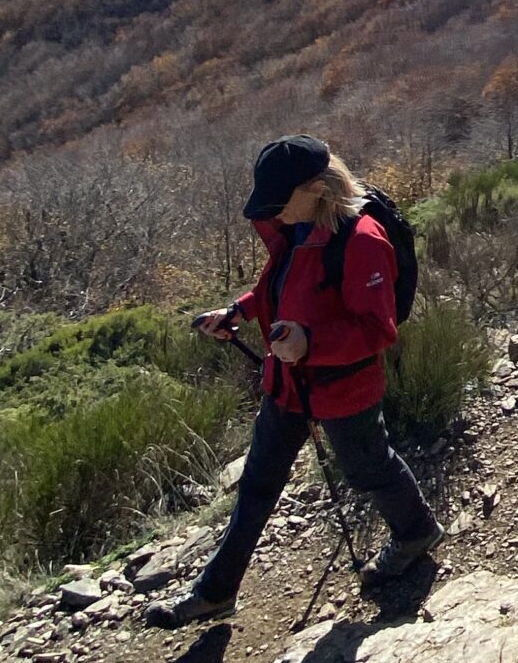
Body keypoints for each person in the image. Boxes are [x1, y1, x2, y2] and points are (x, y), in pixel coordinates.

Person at [146, 135, 436, 628]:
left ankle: (416, 532)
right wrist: (237, 312)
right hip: (288, 383)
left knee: (369, 469)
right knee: (258, 483)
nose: (272, 214)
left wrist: (310, 344)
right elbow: (278, 290)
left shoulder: (362, 240)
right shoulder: (297, 229)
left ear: (316, 189)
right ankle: (216, 591)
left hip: (344, 389)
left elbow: (378, 329)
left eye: (279, 203)